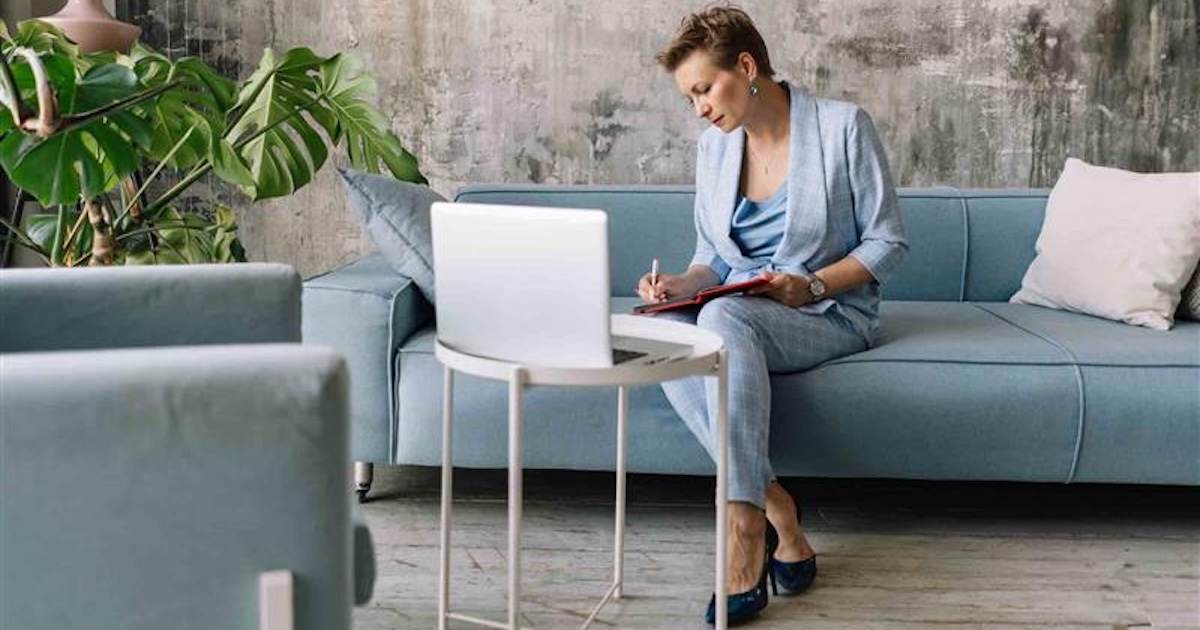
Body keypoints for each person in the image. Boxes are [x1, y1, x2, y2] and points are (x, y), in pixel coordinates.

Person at [642, 5, 907, 625]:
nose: (699, 108)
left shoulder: (843, 127)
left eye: (704, 89)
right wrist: (679, 284)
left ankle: (741, 528)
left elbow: (888, 242)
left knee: (723, 322)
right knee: (660, 332)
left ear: (746, 66)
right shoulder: (714, 148)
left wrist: (809, 285)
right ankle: (778, 509)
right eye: (690, 98)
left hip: (829, 311)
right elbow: (713, 257)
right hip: (737, 308)